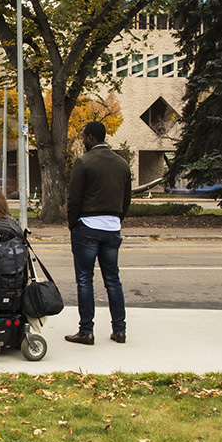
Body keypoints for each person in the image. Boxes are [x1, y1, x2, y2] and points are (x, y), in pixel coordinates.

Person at [65, 121, 132, 346]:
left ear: (91, 138)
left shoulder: (83, 163)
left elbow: (74, 198)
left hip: (87, 227)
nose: (82, 140)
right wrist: (117, 219)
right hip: (112, 227)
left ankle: (86, 331)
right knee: (113, 279)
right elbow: (126, 199)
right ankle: (119, 330)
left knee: (85, 279)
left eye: (84, 136)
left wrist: (73, 224)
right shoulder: (122, 164)